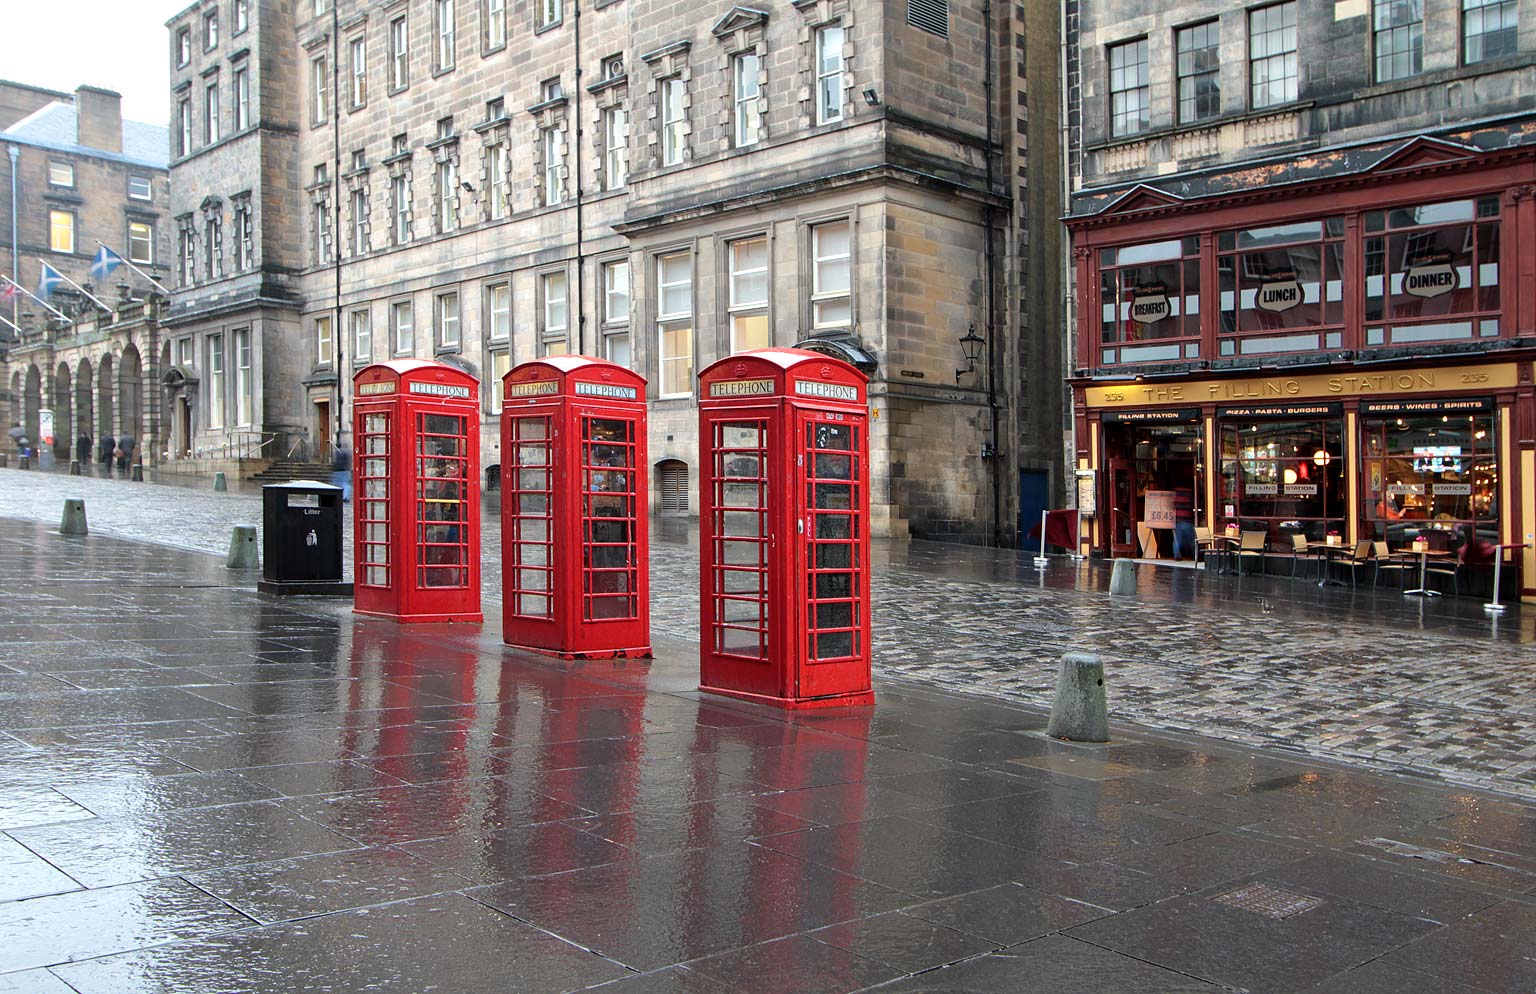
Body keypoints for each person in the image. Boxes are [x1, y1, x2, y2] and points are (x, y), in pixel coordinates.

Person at [330, 437, 352, 502]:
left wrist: (333, 467)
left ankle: (342, 497)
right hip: (346, 470)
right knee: (344, 484)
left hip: (339, 470)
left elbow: (337, 462)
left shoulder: (338, 452)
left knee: (339, 484)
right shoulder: (346, 452)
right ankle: (345, 496)